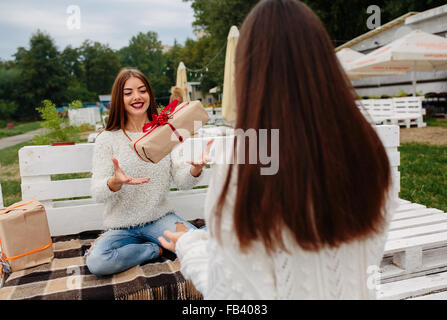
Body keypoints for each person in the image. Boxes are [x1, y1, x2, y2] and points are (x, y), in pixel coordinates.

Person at [158, 0, 398, 299]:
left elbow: (233, 297)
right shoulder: (372, 156)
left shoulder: (242, 169)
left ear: (247, 74)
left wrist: (189, 246)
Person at [86, 68, 213, 276]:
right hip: (121, 227)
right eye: (128, 93)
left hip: (159, 219)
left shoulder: (166, 132)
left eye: (142, 90)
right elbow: (97, 192)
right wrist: (114, 182)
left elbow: (182, 181)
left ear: (149, 95)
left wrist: (195, 168)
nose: (136, 97)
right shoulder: (107, 139)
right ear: (120, 98)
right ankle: (156, 249)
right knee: (98, 262)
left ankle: (221, 228)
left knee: (202, 247)